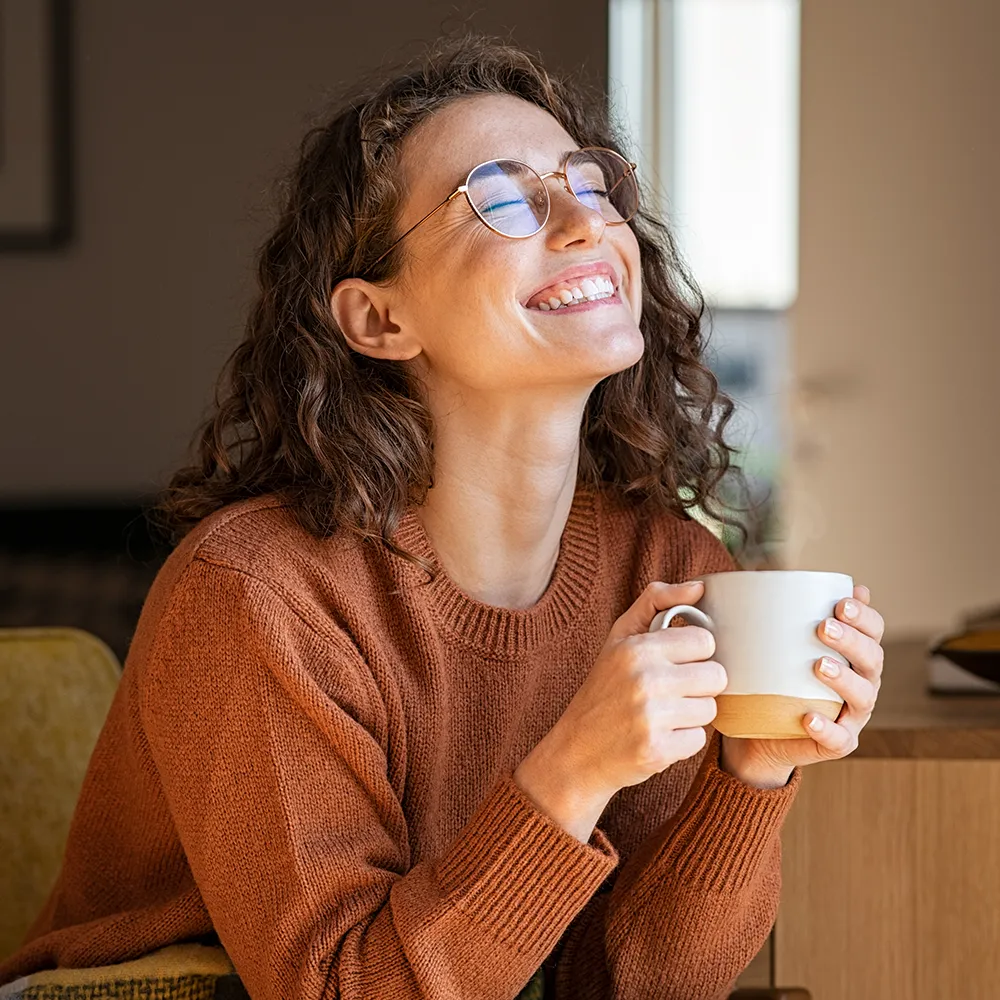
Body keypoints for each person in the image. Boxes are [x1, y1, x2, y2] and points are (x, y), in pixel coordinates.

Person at [0, 34, 885, 1000]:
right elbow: (343, 991)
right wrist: (573, 770)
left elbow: (631, 984)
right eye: (502, 199)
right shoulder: (259, 595)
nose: (585, 224)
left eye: (588, 185)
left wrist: (748, 776)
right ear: (379, 321)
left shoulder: (669, 567)